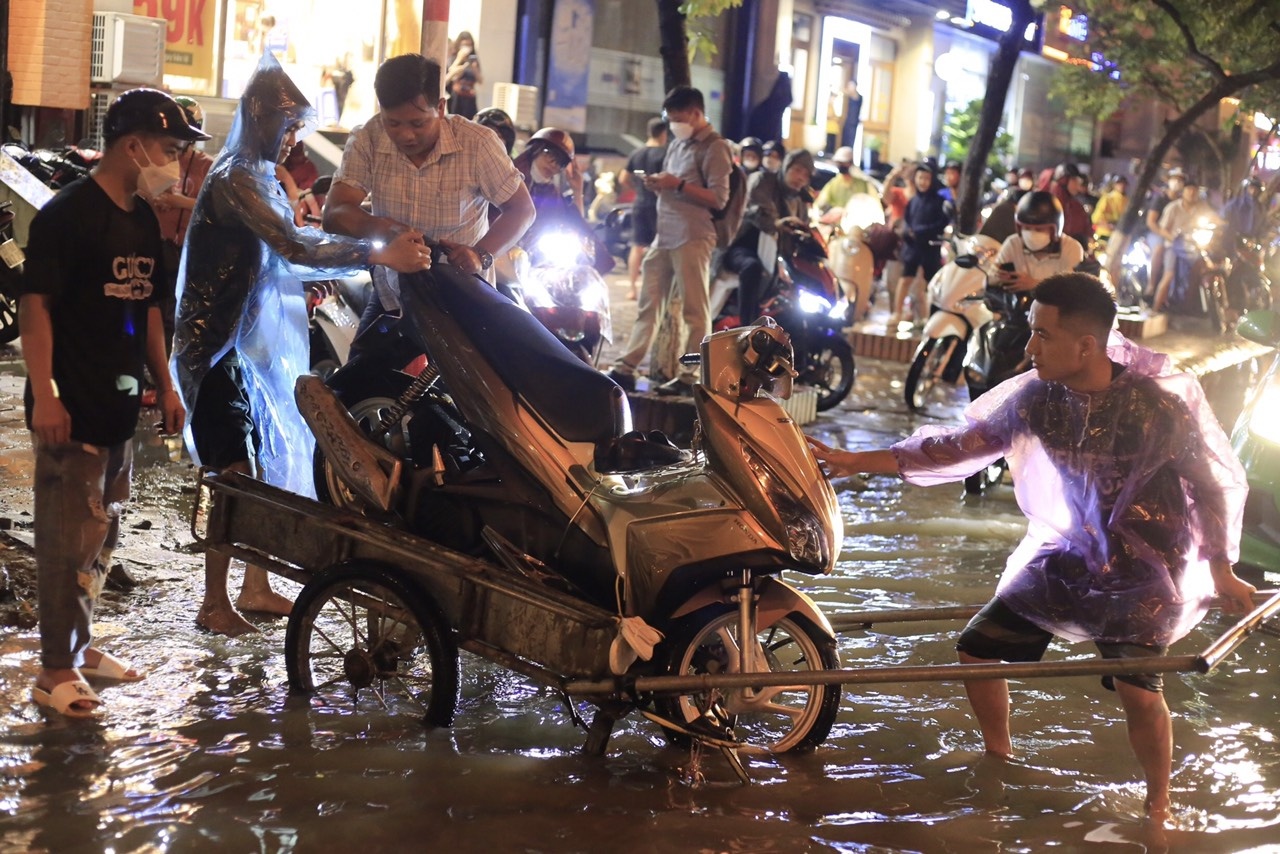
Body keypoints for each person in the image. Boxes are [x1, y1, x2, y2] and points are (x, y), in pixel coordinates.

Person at [810, 272, 1256, 822]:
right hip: (1072, 553)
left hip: (1148, 568)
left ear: (1086, 345)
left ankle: (1159, 806)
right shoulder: (1040, 399)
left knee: (1139, 692)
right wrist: (857, 460)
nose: (1028, 348)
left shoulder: (1155, 408)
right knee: (976, 648)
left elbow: (1211, 488)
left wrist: (1222, 571)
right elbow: (956, 448)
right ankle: (1000, 755)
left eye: (1042, 335)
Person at [172, 52, 430, 637]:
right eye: (287, 127)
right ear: (260, 119)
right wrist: (375, 252)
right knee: (231, 470)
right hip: (215, 348)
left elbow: (293, 245)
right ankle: (214, 602)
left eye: (297, 129)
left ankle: (255, 585)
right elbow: (293, 247)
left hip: (249, 344)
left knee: (264, 462)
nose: (293, 139)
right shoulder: (236, 176)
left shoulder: (260, 174)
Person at [19, 88, 201, 716]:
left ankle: (81, 644)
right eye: (171, 150)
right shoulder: (65, 215)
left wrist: (167, 383)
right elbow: (34, 310)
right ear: (133, 145)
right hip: (70, 404)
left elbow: (148, 308)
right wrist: (46, 395)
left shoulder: (142, 217)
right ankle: (54, 669)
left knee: (103, 533)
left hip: (119, 404)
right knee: (66, 539)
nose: (175, 164)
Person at [323, 53, 534, 334]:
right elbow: (335, 213)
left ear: (441, 107)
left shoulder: (478, 143)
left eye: (418, 123)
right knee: (360, 374)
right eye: (393, 123)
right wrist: (384, 228)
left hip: (464, 296)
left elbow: (522, 209)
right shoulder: (368, 138)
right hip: (393, 293)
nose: (406, 135)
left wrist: (480, 254)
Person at [607, 85, 733, 395]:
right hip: (664, 235)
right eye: (670, 118)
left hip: (692, 236)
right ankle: (627, 365)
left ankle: (691, 374)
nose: (674, 123)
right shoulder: (678, 143)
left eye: (679, 117)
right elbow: (674, 182)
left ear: (696, 113)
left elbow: (718, 198)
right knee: (648, 303)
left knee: (695, 309)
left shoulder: (715, 147)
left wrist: (675, 184)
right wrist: (658, 184)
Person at [719, 149, 816, 324]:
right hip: (745, 245)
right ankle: (748, 328)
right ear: (786, 167)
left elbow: (803, 229)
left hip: (778, 258)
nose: (800, 177)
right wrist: (777, 223)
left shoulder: (800, 202)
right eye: (797, 170)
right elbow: (759, 211)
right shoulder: (764, 181)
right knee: (752, 268)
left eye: (805, 174)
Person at [148, 95, 215, 346]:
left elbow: (213, 207)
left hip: (187, 253)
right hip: (155, 249)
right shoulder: (157, 159)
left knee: (176, 317)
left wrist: (178, 202)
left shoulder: (206, 166)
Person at [889, 163, 949, 328]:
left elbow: (941, 223)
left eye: (926, 178)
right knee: (905, 278)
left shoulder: (940, 201)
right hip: (912, 246)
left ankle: (931, 317)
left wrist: (920, 231)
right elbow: (907, 220)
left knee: (931, 283)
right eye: (920, 178)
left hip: (930, 247)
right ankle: (897, 312)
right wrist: (908, 232)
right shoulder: (913, 201)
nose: (923, 182)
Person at [995, 191, 1085, 294]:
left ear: (1054, 229)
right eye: (1027, 228)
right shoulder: (1013, 243)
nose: (1031, 234)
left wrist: (1035, 284)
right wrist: (1000, 277)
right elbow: (992, 277)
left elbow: (1073, 291)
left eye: (1039, 230)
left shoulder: (1071, 248)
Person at [619, 118, 669, 299]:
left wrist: (637, 189)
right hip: (658, 205)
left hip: (639, 204)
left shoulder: (637, 153)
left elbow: (622, 178)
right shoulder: (665, 154)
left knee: (637, 246)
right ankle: (655, 290)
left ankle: (633, 289)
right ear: (663, 133)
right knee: (659, 248)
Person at [1151, 178, 1215, 312]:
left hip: (1193, 247)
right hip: (1173, 247)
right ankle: (1155, 309)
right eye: (1189, 189)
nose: (1192, 193)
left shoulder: (1202, 207)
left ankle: (1189, 308)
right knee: (1169, 275)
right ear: (1183, 191)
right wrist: (1173, 238)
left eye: (1194, 190)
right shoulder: (1173, 207)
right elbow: (1163, 228)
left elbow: (1214, 217)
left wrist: (1223, 224)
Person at [814, 146, 873, 216]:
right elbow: (821, 202)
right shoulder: (834, 183)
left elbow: (867, 205)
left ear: (850, 162)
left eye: (843, 162)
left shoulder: (862, 184)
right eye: (839, 162)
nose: (840, 165)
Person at [445, 31, 482, 119]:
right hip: (457, 96)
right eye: (464, 45)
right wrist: (459, 58)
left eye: (469, 45)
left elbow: (480, 80)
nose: (467, 48)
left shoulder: (473, 59)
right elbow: (450, 73)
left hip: (470, 96)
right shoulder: (454, 58)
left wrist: (475, 69)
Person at [1091, 174, 1128, 243]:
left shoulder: (1127, 201)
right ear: (1114, 185)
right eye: (1119, 183)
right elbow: (1096, 217)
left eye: (1124, 183)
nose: (1122, 186)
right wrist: (1107, 224)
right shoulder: (1107, 198)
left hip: (1119, 235)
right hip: (1105, 234)